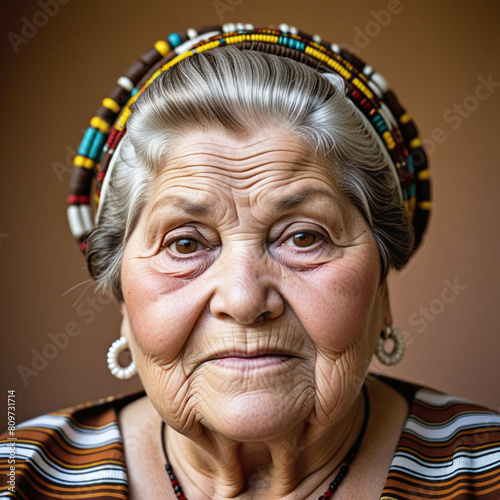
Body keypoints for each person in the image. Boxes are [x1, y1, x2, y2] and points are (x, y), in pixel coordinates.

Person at [1, 23, 499, 500]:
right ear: (125, 304)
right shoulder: (17, 477)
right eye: (185, 244)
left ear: (382, 292)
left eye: (304, 237)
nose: (243, 300)